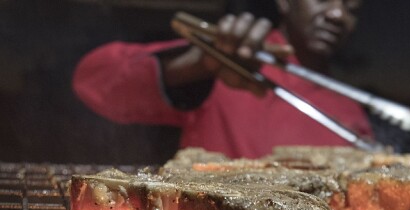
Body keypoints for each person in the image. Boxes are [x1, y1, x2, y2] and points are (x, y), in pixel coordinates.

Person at [72, 0, 374, 159]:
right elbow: (93, 81)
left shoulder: (351, 112)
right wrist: (200, 64)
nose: (337, 13)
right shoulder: (226, 61)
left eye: (352, 8)